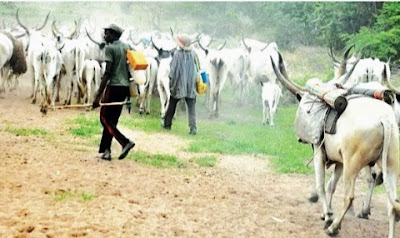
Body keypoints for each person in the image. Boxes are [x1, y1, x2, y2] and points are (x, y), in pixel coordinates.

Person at [92, 24, 135, 161]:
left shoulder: (110, 48)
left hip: (114, 87)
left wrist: (98, 95)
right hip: (124, 88)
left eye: (107, 33)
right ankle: (106, 151)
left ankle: (125, 142)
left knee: (104, 118)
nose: (105, 36)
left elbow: (107, 73)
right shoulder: (127, 46)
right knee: (112, 120)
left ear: (114, 35)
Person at [162, 33, 198, 135]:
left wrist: (171, 81)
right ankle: (193, 128)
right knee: (191, 107)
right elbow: (198, 68)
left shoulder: (177, 54)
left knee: (172, 104)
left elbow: (172, 71)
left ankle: (167, 124)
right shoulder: (193, 54)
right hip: (191, 85)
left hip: (179, 85)